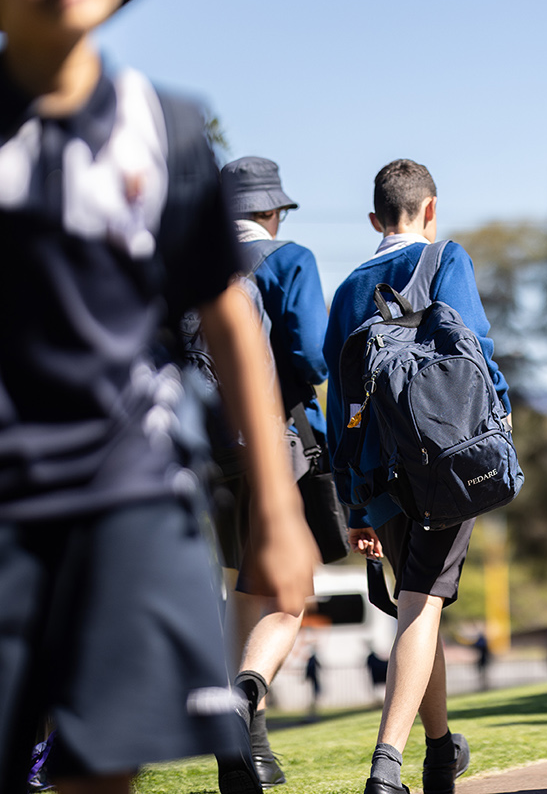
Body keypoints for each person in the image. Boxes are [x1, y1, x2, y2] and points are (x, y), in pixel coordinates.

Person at [0, 0, 314, 794]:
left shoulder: (167, 125)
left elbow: (230, 319)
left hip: (128, 489)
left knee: (104, 763)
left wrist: (280, 514)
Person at [323, 159, 510, 794]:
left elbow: (339, 401)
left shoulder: (349, 287)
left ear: (375, 218)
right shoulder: (445, 258)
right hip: (443, 464)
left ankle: (438, 752)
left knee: (415, 604)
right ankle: (386, 765)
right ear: (431, 209)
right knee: (421, 604)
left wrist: (354, 502)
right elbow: (472, 350)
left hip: (378, 473)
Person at [214, 155, 329, 790]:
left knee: (241, 589)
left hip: (204, 448)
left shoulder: (194, 267)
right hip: (274, 438)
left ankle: (251, 752)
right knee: (285, 594)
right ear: (273, 211)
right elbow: (311, 353)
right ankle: (249, 691)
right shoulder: (289, 260)